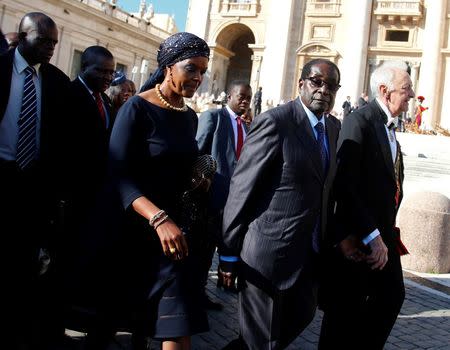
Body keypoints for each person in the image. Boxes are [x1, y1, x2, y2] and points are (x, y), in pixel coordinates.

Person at [98, 32, 211, 350]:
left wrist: (199, 177)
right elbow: (118, 174)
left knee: (175, 324)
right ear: (169, 67)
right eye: (192, 68)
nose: (198, 78)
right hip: (137, 231)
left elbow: (178, 167)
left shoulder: (189, 117)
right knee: (118, 324)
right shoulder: (136, 108)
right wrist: (158, 218)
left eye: (203, 71)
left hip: (176, 240)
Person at [218, 58, 341, 349]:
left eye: (331, 85)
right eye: (316, 81)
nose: (323, 90)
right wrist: (228, 253)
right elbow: (241, 189)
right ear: (301, 83)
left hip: (308, 256)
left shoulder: (334, 128)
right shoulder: (276, 122)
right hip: (267, 256)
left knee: (300, 318)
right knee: (263, 342)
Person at [319, 63, 415, 350]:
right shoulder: (359, 121)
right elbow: (345, 185)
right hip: (359, 235)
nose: (411, 94)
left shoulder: (388, 126)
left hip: (383, 234)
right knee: (343, 314)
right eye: (406, 89)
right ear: (385, 92)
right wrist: (369, 235)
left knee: (390, 297)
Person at [0, 12, 70, 349]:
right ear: (22, 35)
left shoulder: (57, 82)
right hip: (1, 178)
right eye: (43, 41)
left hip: (36, 187)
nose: (50, 49)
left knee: (27, 264)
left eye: (54, 43)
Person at [196, 80, 253, 310]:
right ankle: (195, 294)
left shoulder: (247, 127)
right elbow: (198, 152)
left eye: (248, 98)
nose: (245, 101)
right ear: (229, 96)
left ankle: (210, 289)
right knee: (203, 250)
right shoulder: (213, 117)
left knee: (227, 244)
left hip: (235, 201)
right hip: (210, 198)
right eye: (241, 96)